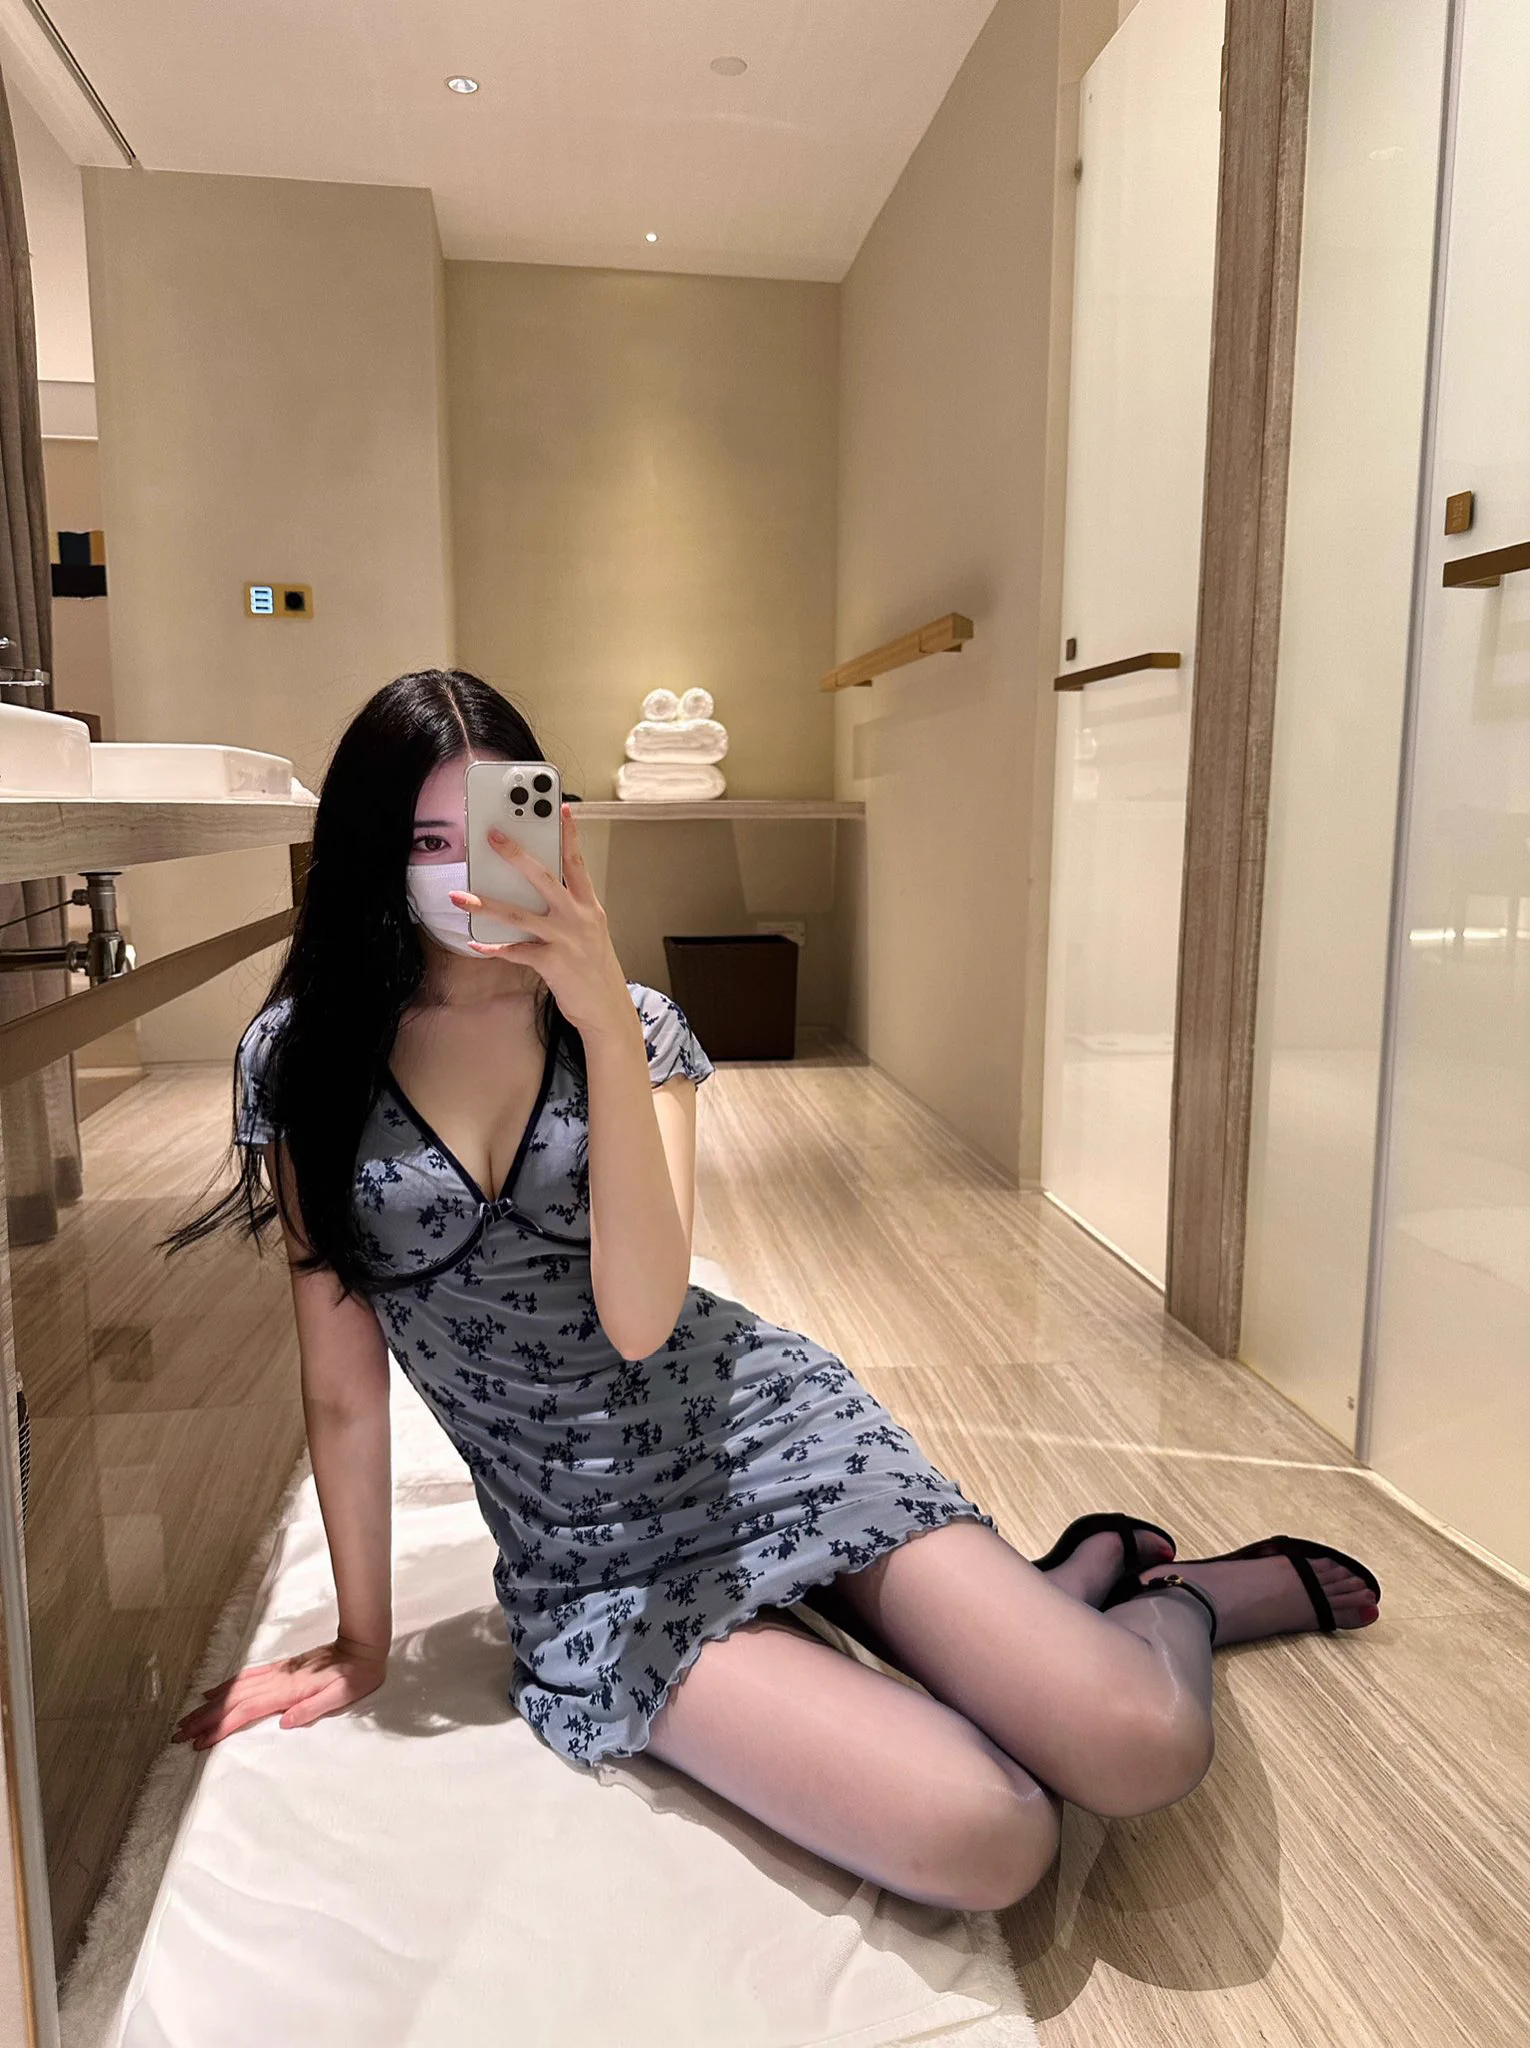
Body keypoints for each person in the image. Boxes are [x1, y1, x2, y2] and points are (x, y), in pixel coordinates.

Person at [170, 669, 1381, 1914]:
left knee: (1141, 1743)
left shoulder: (636, 1027)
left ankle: (1172, 1599)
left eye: (488, 829)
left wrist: (600, 1017)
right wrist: (363, 1639)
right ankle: (1059, 1591)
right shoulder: (305, 1059)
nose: (461, 869)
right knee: (992, 1834)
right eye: (423, 839)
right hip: (597, 1555)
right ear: (370, 849)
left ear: (549, 829)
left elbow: (642, 1315)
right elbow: (343, 1388)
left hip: (759, 1429)